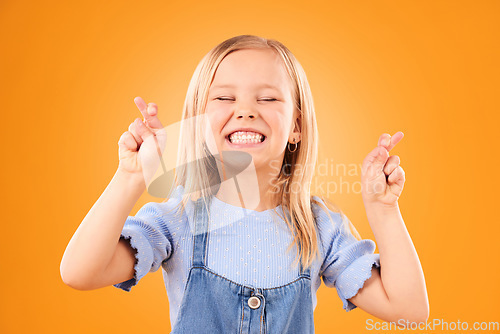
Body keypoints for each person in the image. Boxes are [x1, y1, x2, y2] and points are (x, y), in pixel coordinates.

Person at [60, 34, 429, 333]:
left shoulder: (319, 228)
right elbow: (79, 272)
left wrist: (383, 211)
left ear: (297, 127)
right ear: (199, 121)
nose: (246, 110)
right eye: (224, 97)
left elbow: (410, 311)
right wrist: (130, 179)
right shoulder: (178, 216)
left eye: (267, 98)